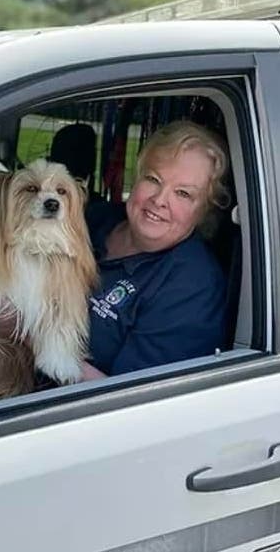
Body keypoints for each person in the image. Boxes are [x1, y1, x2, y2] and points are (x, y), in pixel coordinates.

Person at [81, 120, 230, 380]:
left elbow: (128, 403)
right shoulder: (92, 219)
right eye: (153, 179)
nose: (160, 200)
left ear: (205, 210)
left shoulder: (193, 287)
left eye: (183, 194)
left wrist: (36, 343)